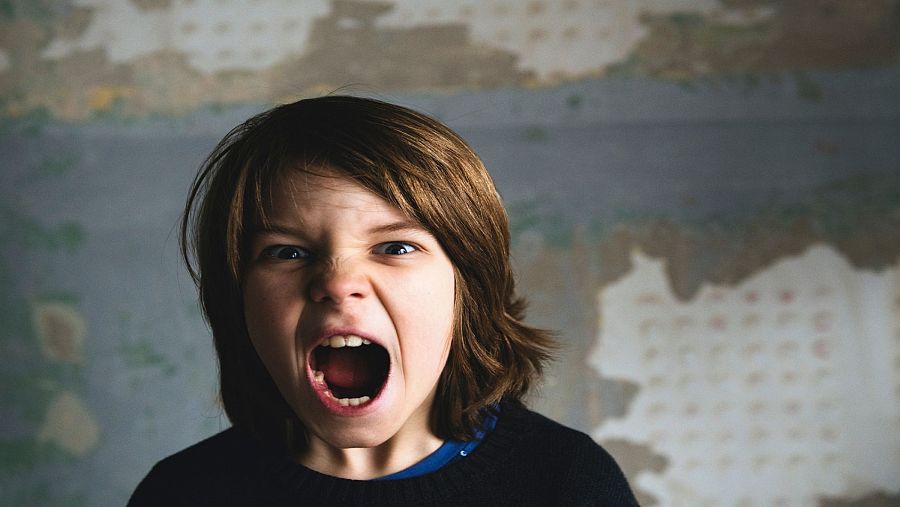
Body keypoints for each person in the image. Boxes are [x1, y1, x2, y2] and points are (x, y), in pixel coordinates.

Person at [128, 96, 638, 506]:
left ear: (469, 290)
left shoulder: (566, 482)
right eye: (287, 251)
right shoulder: (184, 491)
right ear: (237, 302)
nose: (338, 281)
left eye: (395, 247)